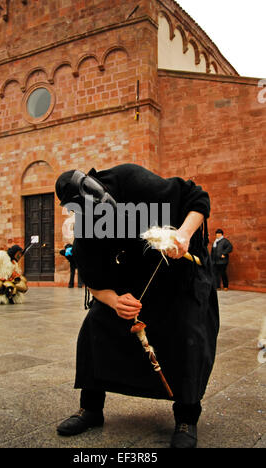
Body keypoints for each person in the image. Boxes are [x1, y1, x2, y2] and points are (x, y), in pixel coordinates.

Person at [55, 163, 219, 449]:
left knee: (186, 333)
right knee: (96, 325)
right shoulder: (87, 226)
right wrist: (114, 301)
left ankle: (186, 416)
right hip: (131, 276)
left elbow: (197, 197)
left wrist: (184, 233)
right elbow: (91, 276)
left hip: (181, 267)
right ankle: (90, 409)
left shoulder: (134, 181)